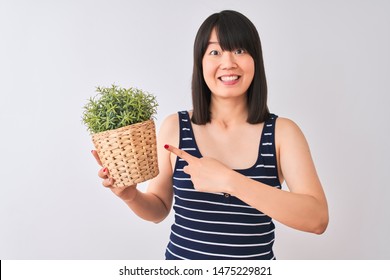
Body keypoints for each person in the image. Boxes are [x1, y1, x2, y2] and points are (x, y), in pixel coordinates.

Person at [92, 10, 328, 260]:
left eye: (239, 50)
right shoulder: (176, 127)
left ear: (255, 60)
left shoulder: (282, 133)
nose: (228, 63)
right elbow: (159, 209)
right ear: (200, 62)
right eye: (215, 52)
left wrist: (229, 180)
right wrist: (131, 196)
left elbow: (317, 219)